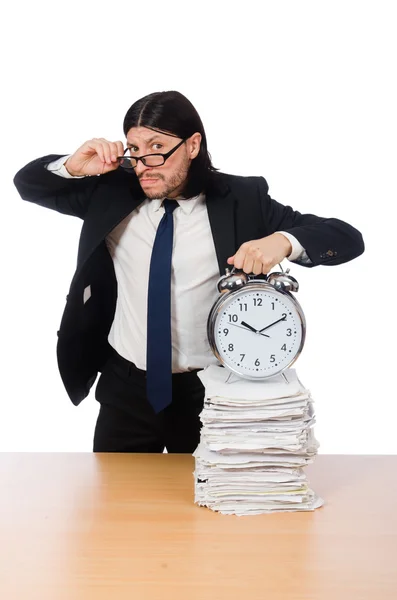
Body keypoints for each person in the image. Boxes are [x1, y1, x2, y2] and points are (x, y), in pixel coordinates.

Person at [13, 90, 364, 454]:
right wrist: (72, 165)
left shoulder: (242, 199)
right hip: (125, 389)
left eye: (156, 146)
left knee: (208, 502)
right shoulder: (111, 190)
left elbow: (347, 238)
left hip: (211, 392)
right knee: (116, 504)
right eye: (134, 148)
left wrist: (284, 241)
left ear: (192, 145)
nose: (144, 162)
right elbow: (28, 184)